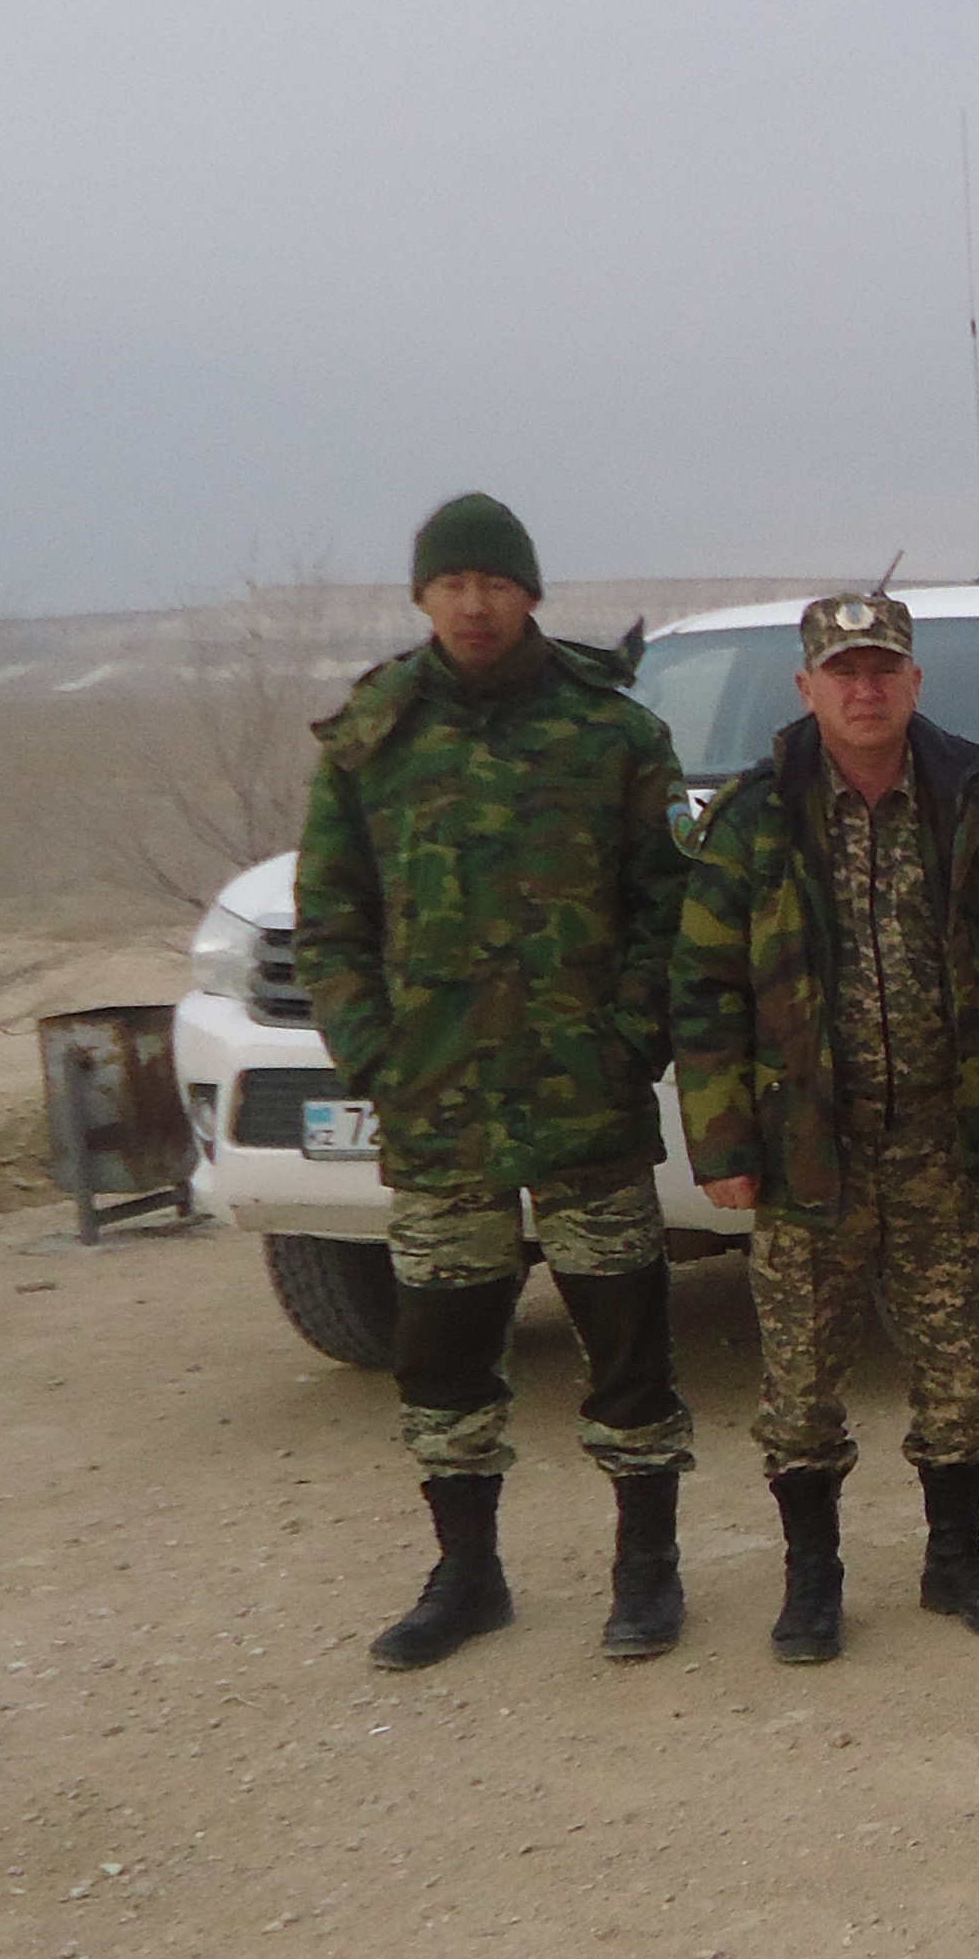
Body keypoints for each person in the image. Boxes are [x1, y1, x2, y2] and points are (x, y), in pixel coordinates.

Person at [292, 492, 699, 1671]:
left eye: (496, 583)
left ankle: (647, 1567)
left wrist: (629, 1041)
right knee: (443, 1354)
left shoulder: (611, 733)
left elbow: (668, 908)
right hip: (439, 1107)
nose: (474, 605)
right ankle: (466, 1574)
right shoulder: (374, 737)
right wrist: (375, 1054)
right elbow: (331, 918)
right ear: (423, 596)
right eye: (453, 584)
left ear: (530, 594)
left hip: (584, 1100)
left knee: (627, 1344)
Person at [674, 590, 979, 1659]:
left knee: (963, 1372)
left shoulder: (975, 803)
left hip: (950, 1142)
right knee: (801, 1385)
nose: (865, 690)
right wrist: (723, 1143)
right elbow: (704, 991)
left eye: (882, 669)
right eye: (843, 672)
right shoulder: (755, 818)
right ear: (806, 688)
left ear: (914, 682)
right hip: (809, 1150)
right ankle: (813, 1580)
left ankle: (957, 1559)